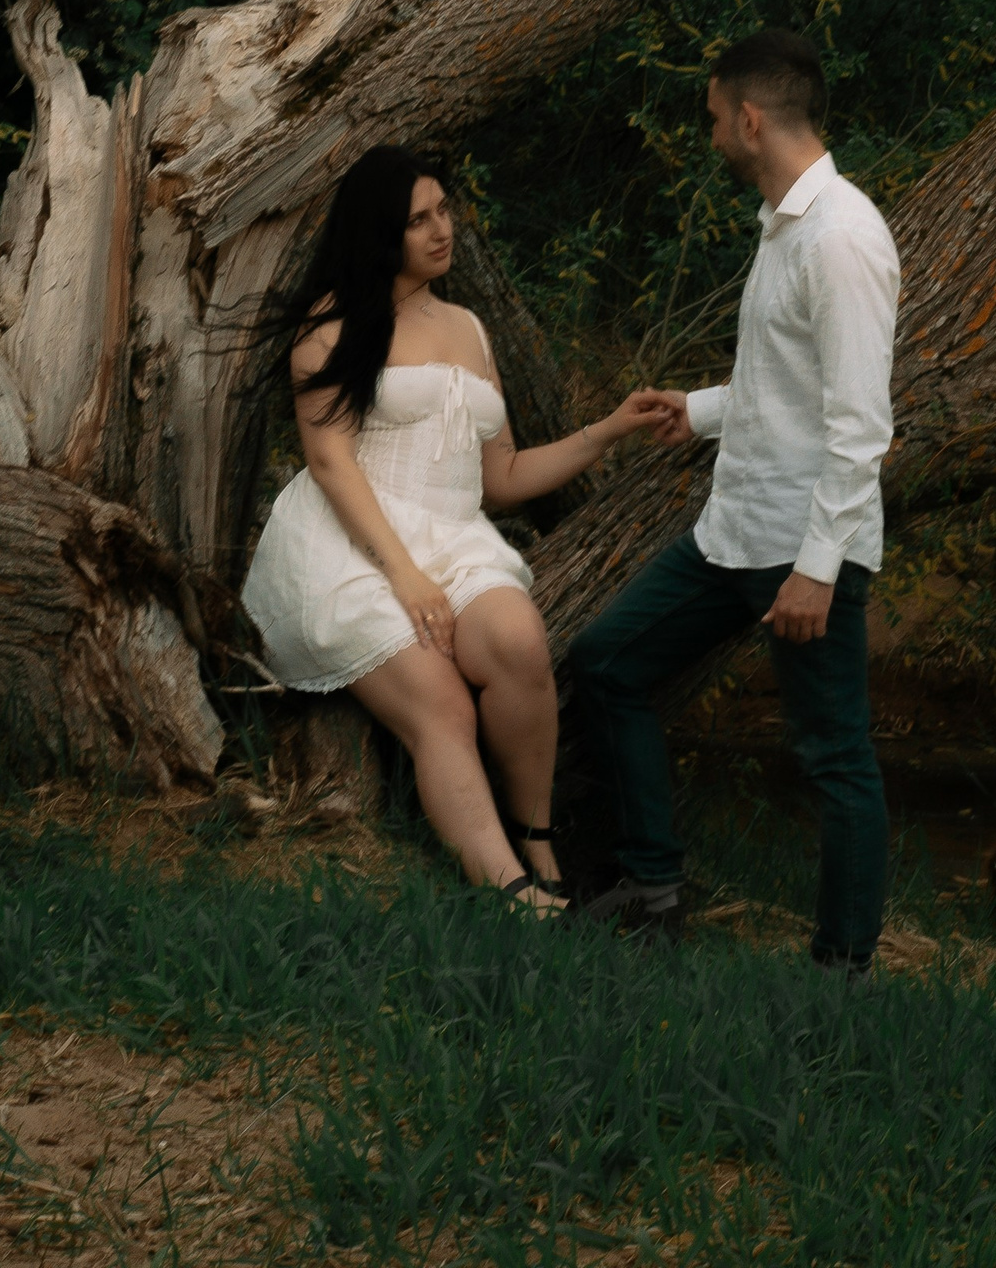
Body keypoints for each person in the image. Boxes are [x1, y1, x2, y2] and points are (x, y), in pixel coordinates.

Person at [241, 144, 674, 909]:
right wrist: (405, 576)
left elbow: (500, 478)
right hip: (350, 542)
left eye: (444, 210)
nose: (443, 230)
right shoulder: (334, 321)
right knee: (441, 701)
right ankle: (512, 894)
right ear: (381, 233)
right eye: (419, 220)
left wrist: (606, 430)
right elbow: (330, 458)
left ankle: (539, 844)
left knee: (518, 642)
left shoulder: (470, 327)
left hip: (456, 533)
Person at [567, 29, 900, 974]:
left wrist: (817, 570)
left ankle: (843, 971)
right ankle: (653, 885)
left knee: (835, 755)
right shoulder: (785, 226)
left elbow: (858, 426)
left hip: (803, 546)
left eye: (713, 117)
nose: (711, 133)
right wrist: (701, 409)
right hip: (733, 533)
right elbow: (784, 382)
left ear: (750, 119)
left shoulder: (840, 237)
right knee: (607, 664)